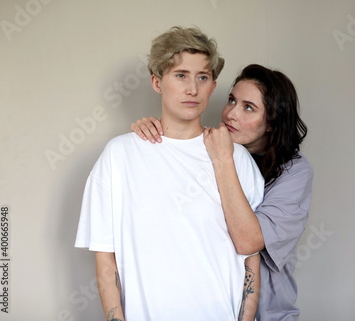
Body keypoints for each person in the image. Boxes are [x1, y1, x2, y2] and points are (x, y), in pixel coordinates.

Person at [75, 26, 264, 321]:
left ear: (213, 86)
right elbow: (105, 260)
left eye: (202, 77)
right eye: (180, 75)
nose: (193, 89)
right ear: (157, 82)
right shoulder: (119, 156)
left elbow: (251, 258)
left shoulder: (235, 157)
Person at [131, 63, 314, 321]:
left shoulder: (294, 172)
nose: (230, 114)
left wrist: (224, 160)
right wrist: (155, 132)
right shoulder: (209, 147)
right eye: (232, 100)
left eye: (248, 107)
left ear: (273, 122)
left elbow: (248, 242)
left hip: (268, 315)